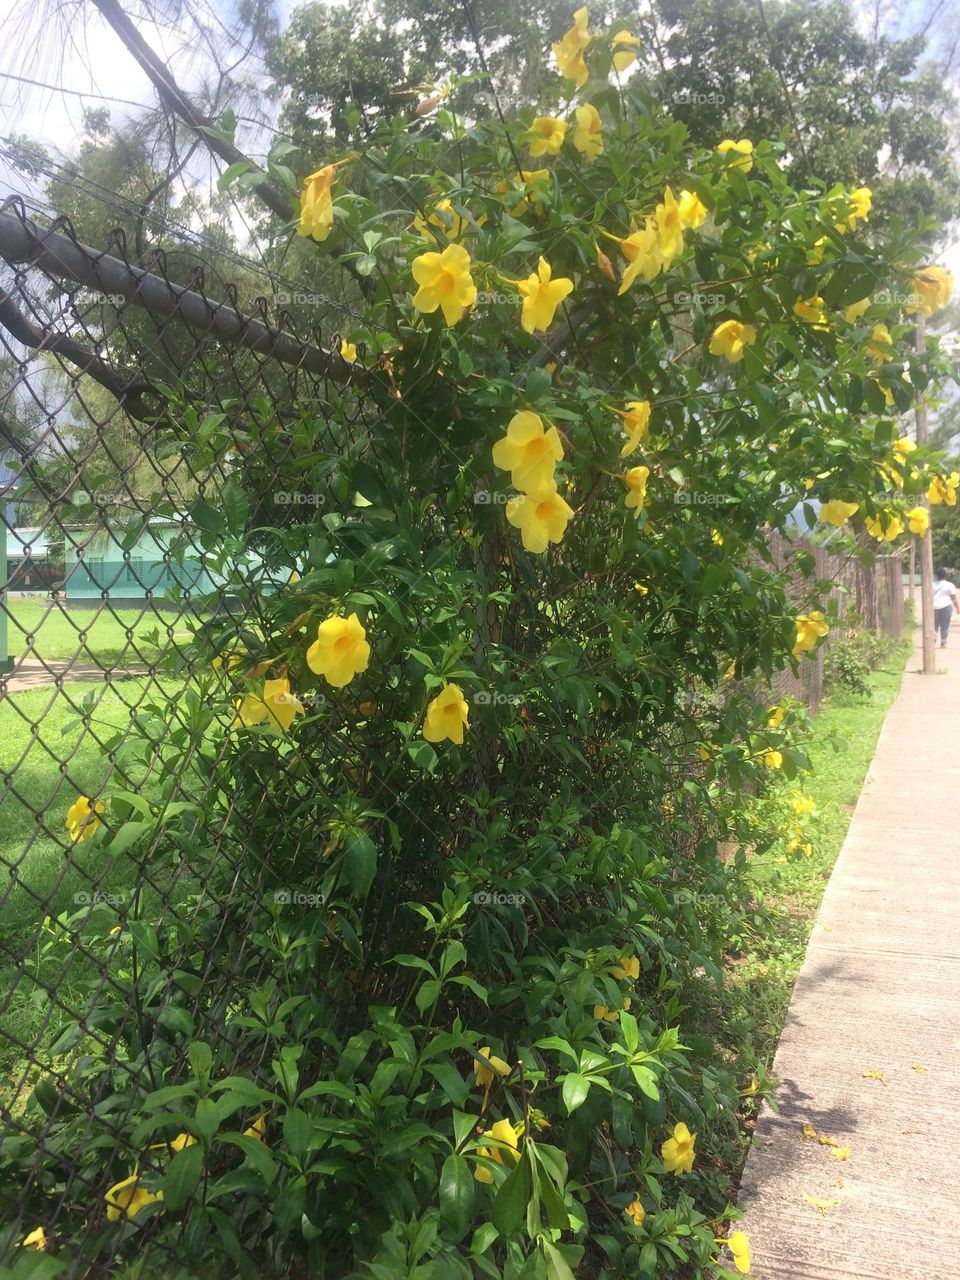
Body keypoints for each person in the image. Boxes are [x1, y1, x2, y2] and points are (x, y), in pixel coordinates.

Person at [932, 567, 960, 648]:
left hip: (934, 607)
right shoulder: (950, 585)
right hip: (946, 607)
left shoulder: (932, 584)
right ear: (946, 575)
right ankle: (943, 641)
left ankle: (933, 640)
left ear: (936, 575)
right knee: (945, 625)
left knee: (934, 625)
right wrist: (958, 608)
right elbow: (953, 598)